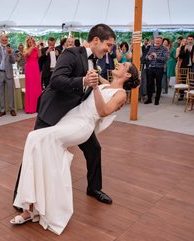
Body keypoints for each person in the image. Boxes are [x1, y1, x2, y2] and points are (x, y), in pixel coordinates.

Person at [11, 62, 140, 235]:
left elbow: (103, 112)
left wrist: (95, 89)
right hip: (70, 117)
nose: (119, 63)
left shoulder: (121, 94)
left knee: (36, 138)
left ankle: (48, 206)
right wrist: (90, 76)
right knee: (37, 143)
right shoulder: (107, 84)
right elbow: (94, 79)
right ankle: (31, 207)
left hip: (81, 125)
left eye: (124, 64)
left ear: (128, 75)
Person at [12, 24, 117, 212]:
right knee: (35, 148)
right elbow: (56, 81)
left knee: (94, 148)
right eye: (108, 45)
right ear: (95, 40)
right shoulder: (71, 54)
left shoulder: (97, 61)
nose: (110, 49)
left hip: (74, 116)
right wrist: (83, 81)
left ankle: (94, 188)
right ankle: (20, 196)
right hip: (53, 111)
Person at [23, 36, 43, 113]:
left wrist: (38, 47)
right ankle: (30, 108)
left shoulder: (35, 48)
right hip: (29, 69)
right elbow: (27, 54)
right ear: (27, 42)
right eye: (29, 41)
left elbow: (39, 55)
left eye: (32, 41)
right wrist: (32, 46)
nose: (30, 42)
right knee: (30, 87)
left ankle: (38, 107)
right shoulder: (26, 49)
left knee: (36, 86)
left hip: (36, 68)